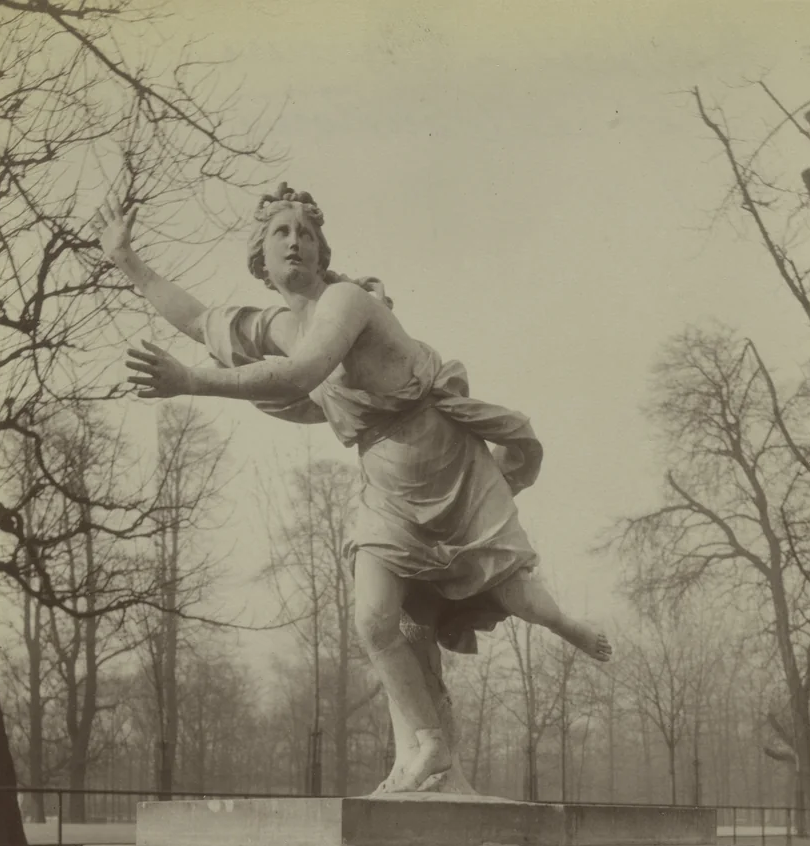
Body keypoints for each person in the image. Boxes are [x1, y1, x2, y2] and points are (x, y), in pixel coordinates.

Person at [92, 185, 611, 794]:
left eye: (306, 233)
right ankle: (428, 746)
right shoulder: (279, 326)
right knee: (374, 621)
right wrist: (127, 260)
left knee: (511, 591)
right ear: (260, 254)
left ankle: (564, 624)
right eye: (282, 232)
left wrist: (192, 382)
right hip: (384, 482)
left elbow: (301, 374)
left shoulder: (345, 301)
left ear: (322, 250)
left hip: (444, 460)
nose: (296, 242)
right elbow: (199, 321)